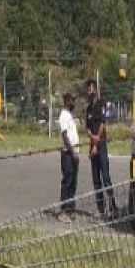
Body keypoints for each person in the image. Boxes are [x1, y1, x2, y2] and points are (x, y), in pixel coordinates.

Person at [84, 79, 119, 219]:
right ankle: (101, 209)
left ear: (96, 90)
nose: (89, 92)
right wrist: (91, 138)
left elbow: (103, 124)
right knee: (96, 179)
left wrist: (96, 141)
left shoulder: (101, 104)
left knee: (106, 177)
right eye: (88, 89)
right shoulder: (89, 109)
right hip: (92, 146)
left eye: (91, 89)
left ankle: (113, 206)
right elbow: (86, 127)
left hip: (101, 146)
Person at [57, 92, 80, 222]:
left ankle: (71, 208)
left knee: (73, 182)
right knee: (67, 181)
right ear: (66, 101)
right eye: (72, 100)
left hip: (74, 153)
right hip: (68, 153)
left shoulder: (70, 116)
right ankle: (63, 210)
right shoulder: (63, 116)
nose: (74, 102)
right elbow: (65, 137)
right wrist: (73, 152)